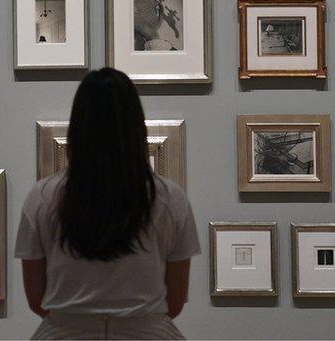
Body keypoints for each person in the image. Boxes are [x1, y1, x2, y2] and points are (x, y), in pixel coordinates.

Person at [15, 68, 200, 340]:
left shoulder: (42, 197)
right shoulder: (170, 198)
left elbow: (36, 299)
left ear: (78, 125)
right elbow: (174, 301)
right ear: (136, 124)